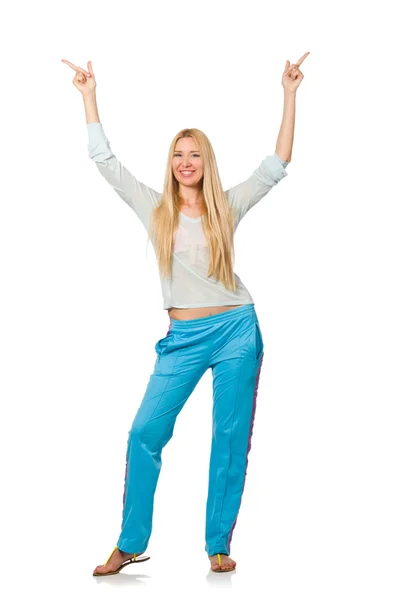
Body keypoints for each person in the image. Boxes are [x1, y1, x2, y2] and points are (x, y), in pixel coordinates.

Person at [61, 53, 308, 575]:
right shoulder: (156, 209)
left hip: (238, 329)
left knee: (229, 435)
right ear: (171, 164)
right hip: (183, 336)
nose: (186, 162)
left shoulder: (227, 205)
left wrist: (289, 93)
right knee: (144, 431)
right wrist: (89, 98)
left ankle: (218, 544)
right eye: (178, 155)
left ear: (205, 162)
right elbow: (106, 163)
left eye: (194, 154)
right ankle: (130, 541)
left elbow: (277, 164)